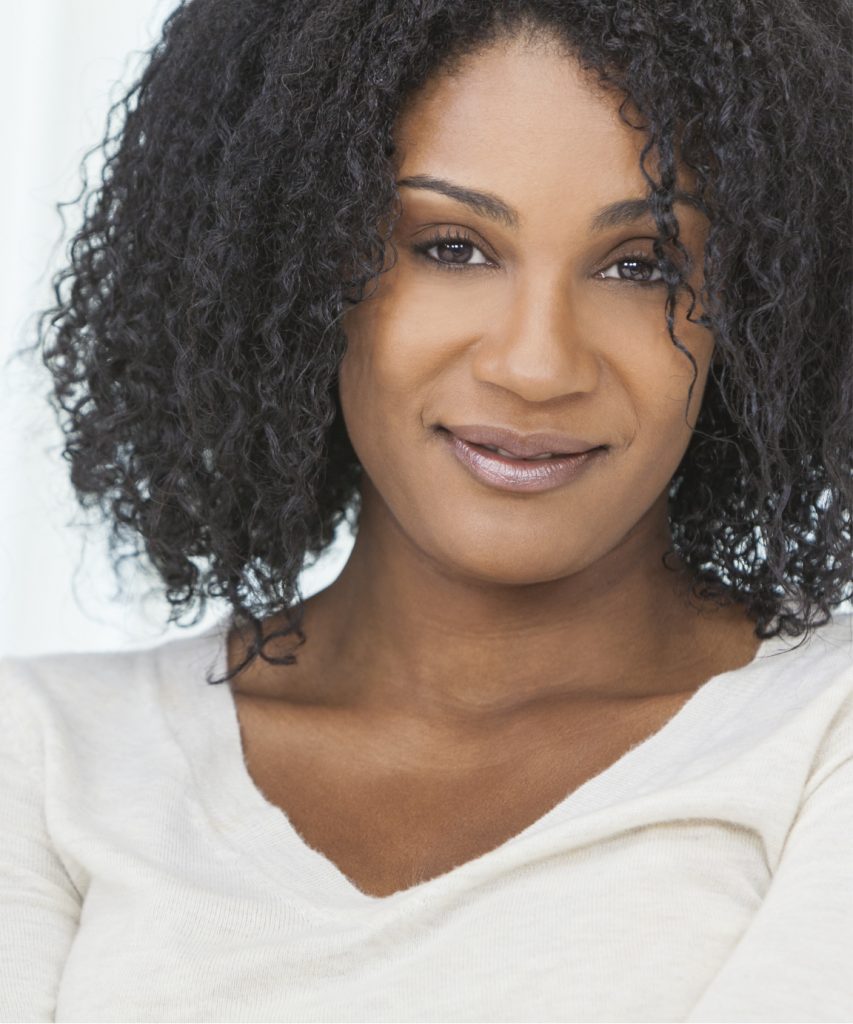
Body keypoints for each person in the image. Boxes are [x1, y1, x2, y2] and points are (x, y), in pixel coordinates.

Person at [2, 0, 851, 1020]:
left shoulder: (819, 737)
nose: (537, 365)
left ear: (765, 309)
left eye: (644, 265)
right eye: (451, 246)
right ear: (295, 267)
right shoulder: (46, 756)